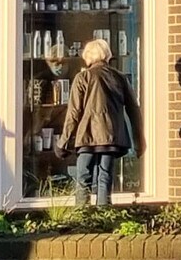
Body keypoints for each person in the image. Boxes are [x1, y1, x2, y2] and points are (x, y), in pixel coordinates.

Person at [59, 37, 138, 204]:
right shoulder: (120, 77)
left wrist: (63, 142)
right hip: (111, 136)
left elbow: (74, 113)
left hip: (87, 134)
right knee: (105, 177)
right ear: (106, 55)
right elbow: (133, 110)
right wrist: (139, 140)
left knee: (83, 178)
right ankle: (104, 215)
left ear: (88, 56)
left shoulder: (83, 78)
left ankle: (82, 214)